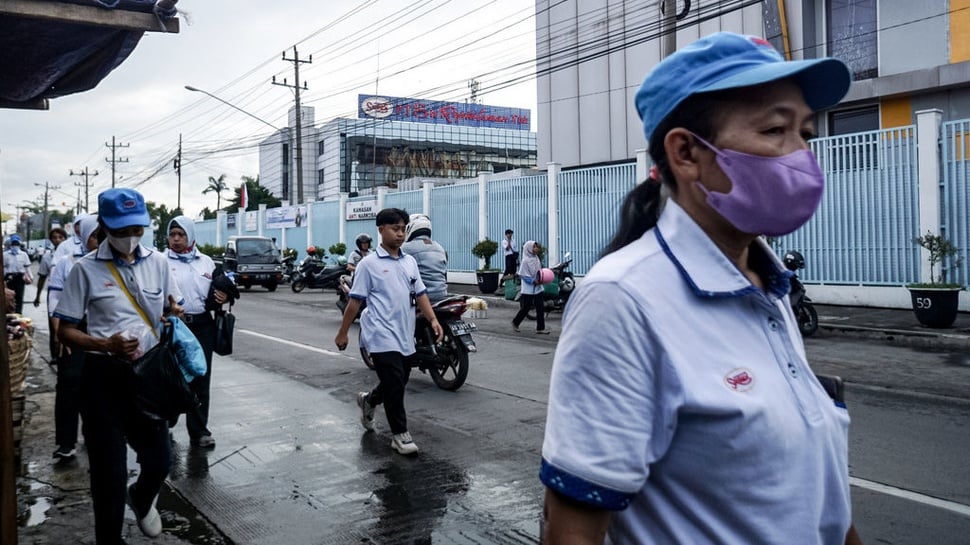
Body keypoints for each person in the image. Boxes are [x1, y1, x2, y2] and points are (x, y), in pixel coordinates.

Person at [539, 32, 862, 545]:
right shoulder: (623, 301)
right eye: (776, 129)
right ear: (686, 153)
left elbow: (822, 505)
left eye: (806, 131)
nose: (801, 155)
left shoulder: (769, 287)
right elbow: (572, 531)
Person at [55, 188, 184, 544]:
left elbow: (171, 308)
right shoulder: (85, 270)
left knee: (159, 460)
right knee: (108, 476)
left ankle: (142, 498)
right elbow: (66, 330)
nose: (130, 238)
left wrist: (173, 314)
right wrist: (105, 344)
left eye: (137, 230)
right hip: (102, 380)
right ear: (106, 226)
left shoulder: (159, 263)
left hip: (148, 377)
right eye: (122, 230)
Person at [334, 208, 443, 456]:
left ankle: (369, 400)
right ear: (381, 229)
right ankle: (400, 435)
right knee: (395, 384)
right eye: (395, 228)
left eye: (403, 228)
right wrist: (343, 333)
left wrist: (433, 319)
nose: (400, 234)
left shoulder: (409, 262)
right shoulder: (368, 265)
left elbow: (422, 294)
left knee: (398, 380)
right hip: (379, 335)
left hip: (405, 333)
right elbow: (355, 302)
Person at [166, 215, 231, 449]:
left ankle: (199, 430)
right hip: (172, 326)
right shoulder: (161, 261)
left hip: (203, 325)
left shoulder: (206, 263)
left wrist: (223, 296)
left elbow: (220, 290)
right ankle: (166, 422)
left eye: (181, 234)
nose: (176, 239)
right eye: (172, 234)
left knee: (201, 377)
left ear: (190, 236)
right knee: (170, 376)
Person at [46, 216, 100, 462]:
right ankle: (66, 443)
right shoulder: (68, 263)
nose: (100, 240)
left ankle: (96, 436)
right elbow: (55, 301)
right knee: (69, 385)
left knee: (99, 389)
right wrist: (60, 335)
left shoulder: (114, 264)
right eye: (95, 235)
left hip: (104, 331)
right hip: (74, 328)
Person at [34, 227, 68, 359]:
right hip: (54, 292)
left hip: (68, 293)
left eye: (61, 237)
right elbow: (42, 277)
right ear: (51, 240)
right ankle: (54, 354)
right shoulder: (47, 257)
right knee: (53, 324)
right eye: (54, 237)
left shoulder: (72, 254)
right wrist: (37, 296)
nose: (58, 240)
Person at [401, 213, 448, 302]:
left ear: (410, 227)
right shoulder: (439, 247)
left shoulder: (405, 248)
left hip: (422, 297)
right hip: (442, 294)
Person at [511, 241, 548, 334]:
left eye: (537, 247)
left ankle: (540, 328)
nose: (536, 249)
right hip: (528, 288)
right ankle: (515, 322)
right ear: (529, 249)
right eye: (534, 247)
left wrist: (541, 278)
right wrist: (532, 281)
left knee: (540, 307)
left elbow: (539, 271)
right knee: (526, 307)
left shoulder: (536, 258)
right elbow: (523, 275)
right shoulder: (525, 261)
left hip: (538, 287)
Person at [3, 234, 33, 313]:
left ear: (19, 244)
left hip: (20, 278)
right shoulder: (5, 255)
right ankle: (9, 314)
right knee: (9, 296)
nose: (15, 246)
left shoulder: (24, 255)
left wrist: (31, 277)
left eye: (17, 244)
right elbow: (3, 267)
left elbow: (27, 267)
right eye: (13, 244)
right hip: (8, 278)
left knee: (19, 297)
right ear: (10, 244)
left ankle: (19, 314)